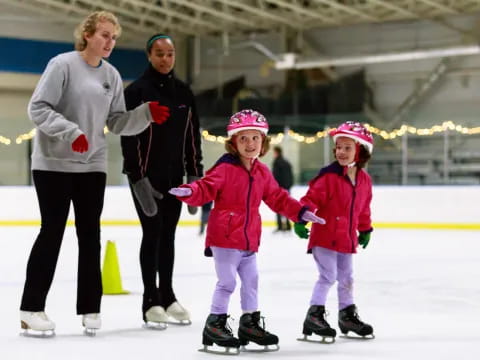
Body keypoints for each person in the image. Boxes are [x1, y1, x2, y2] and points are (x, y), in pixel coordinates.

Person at [19, 11, 169, 336]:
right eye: (104, 35)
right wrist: (71, 132)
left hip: (93, 164)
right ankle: (31, 309)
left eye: (114, 37)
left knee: (90, 237)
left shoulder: (112, 75)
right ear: (87, 34)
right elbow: (38, 107)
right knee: (52, 232)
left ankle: (90, 307)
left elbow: (115, 122)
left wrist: (144, 115)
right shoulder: (62, 65)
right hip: (54, 164)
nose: (109, 42)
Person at [168, 109, 326, 354]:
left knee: (251, 281)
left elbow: (277, 197)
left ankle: (249, 323)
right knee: (227, 282)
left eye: (255, 138)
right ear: (233, 143)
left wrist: (301, 212)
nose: (250, 144)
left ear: (263, 142)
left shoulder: (261, 171)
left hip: (249, 239)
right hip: (224, 237)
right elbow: (206, 187)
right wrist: (190, 192)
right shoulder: (225, 169)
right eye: (243, 138)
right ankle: (215, 324)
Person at [120, 34, 203, 327]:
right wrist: (137, 177)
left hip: (175, 178)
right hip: (145, 178)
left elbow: (193, 137)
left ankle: (168, 295)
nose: (165, 59)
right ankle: (150, 300)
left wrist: (195, 175)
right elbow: (128, 138)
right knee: (152, 233)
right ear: (149, 55)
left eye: (170, 53)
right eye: (159, 53)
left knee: (168, 236)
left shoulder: (184, 93)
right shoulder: (137, 91)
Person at [294, 121, 375, 342]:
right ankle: (314, 315)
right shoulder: (329, 177)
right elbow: (311, 199)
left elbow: (363, 209)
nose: (340, 151)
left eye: (347, 147)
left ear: (361, 150)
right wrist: (301, 216)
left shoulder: (364, 181)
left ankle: (347, 316)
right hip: (324, 236)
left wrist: (365, 229)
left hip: (346, 239)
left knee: (347, 277)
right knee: (328, 276)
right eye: (338, 147)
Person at [272, 146, 294, 232]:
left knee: (278, 207)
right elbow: (291, 176)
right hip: (287, 188)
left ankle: (280, 225)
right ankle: (288, 225)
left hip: (279, 188)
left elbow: (275, 176)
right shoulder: (286, 162)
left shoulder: (277, 163)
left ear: (277, 152)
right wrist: (289, 186)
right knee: (286, 206)